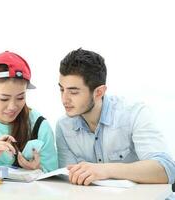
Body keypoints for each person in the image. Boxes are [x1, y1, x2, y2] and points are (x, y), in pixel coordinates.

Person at [56, 48, 175, 189]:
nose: (64, 99)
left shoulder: (134, 113)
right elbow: (70, 183)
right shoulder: (63, 127)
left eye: (73, 92)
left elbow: (166, 170)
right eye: (61, 89)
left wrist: (104, 170)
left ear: (99, 92)